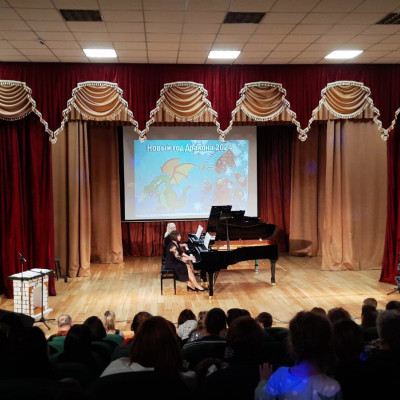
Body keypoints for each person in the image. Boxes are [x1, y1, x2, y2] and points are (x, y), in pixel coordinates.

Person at [255, 311, 342, 400]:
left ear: (292, 345)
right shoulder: (333, 387)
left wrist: (263, 382)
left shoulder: (279, 376)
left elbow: (261, 398)